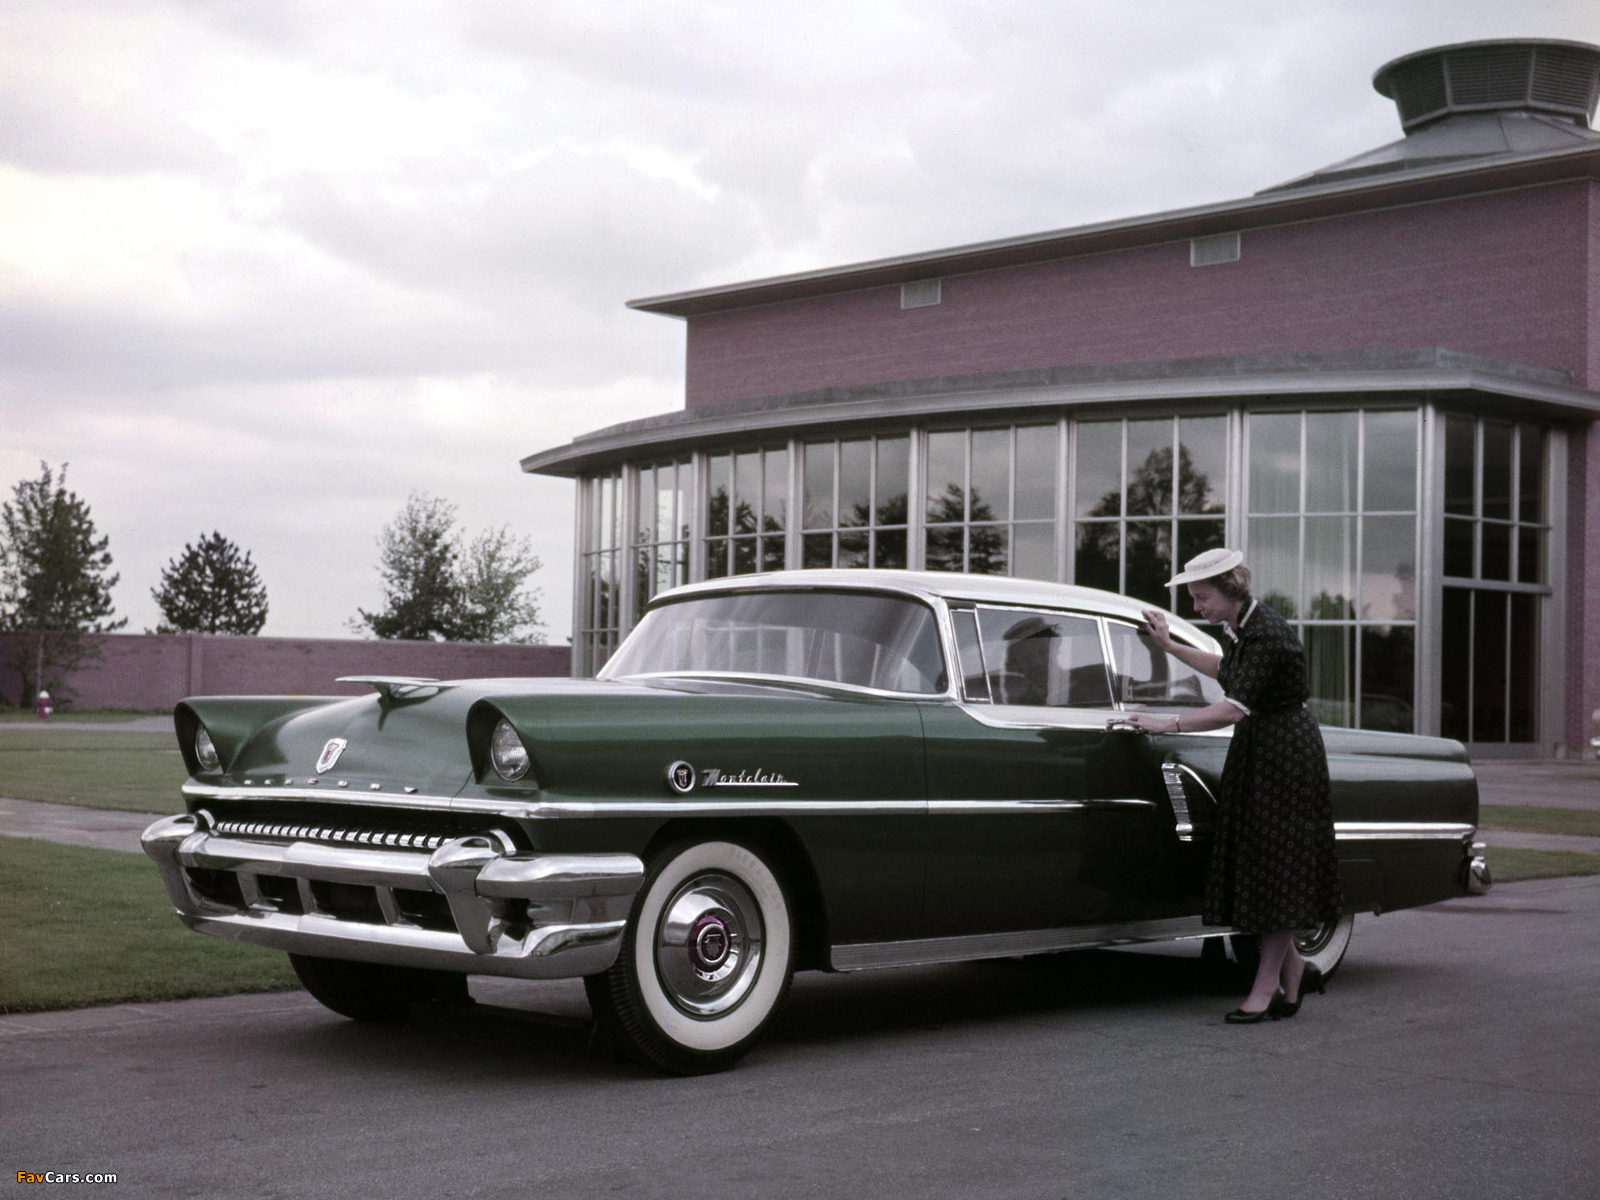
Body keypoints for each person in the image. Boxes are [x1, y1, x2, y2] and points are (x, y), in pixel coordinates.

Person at [1122, 547, 1342, 1022]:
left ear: (1230, 591)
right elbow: (1227, 670)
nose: (1197, 608)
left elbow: (1229, 708)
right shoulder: (1245, 628)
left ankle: (1263, 991)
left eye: (1202, 598)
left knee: (1276, 870)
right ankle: (1296, 973)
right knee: (1261, 863)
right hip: (1262, 746)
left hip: (1285, 755)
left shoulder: (1266, 634)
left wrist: (1166, 725)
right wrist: (1169, 646)